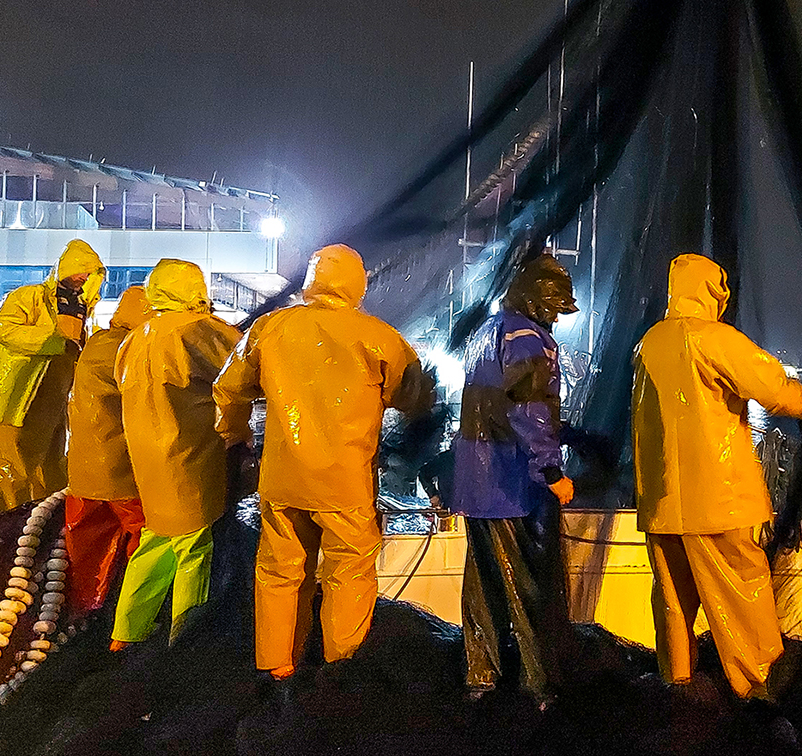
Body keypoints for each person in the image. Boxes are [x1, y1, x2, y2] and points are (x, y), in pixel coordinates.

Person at [214, 244, 435, 680]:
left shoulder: (269, 328)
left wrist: (233, 437)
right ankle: (340, 673)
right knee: (348, 574)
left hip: (282, 481)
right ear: (358, 284)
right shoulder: (381, 338)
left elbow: (229, 390)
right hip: (346, 484)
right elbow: (416, 398)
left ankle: (277, 668)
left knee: (279, 572)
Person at [632, 253, 802, 700]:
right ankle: (758, 685)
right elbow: (771, 388)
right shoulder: (713, 339)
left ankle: (677, 681)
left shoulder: (648, 343)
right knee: (743, 593)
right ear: (714, 291)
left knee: (673, 598)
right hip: (718, 499)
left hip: (660, 501)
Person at [452, 252, 579, 703]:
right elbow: (530, 408)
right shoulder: (528, 338)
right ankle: (537, 682)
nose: (556, 319)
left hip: (474, 481)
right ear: (537, 302)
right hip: (508, 483)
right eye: (554, 309)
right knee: (523, 582)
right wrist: (552, 472)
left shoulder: (487, 331)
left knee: (482, 579)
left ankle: (481, 675)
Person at [110, 260, 243, 650]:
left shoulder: (135, 338)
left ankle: (125, 633)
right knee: (193, 547)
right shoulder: (198, 329)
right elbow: (245, 367)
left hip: (147, 457)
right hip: (188, 451)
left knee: (155, 541)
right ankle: (185, 641)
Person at [0, 240, 105, 510]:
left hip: (57, 392)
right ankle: (12, 518)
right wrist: (56, 343)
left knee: (51, 456)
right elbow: (6, 330)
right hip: (22, 391)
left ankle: (47, 515)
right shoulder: (29, 297)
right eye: (81, 270)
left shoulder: (84, 307)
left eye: (89, 273)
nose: (84, 277)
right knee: (13, 456)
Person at [63, 285, 150, 618]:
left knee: (87, 550)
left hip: (84, 473)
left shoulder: (98, 342)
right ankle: (130, 618)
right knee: (144, 540)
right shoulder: (131, 347)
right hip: (121, 470)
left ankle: (85, 612)